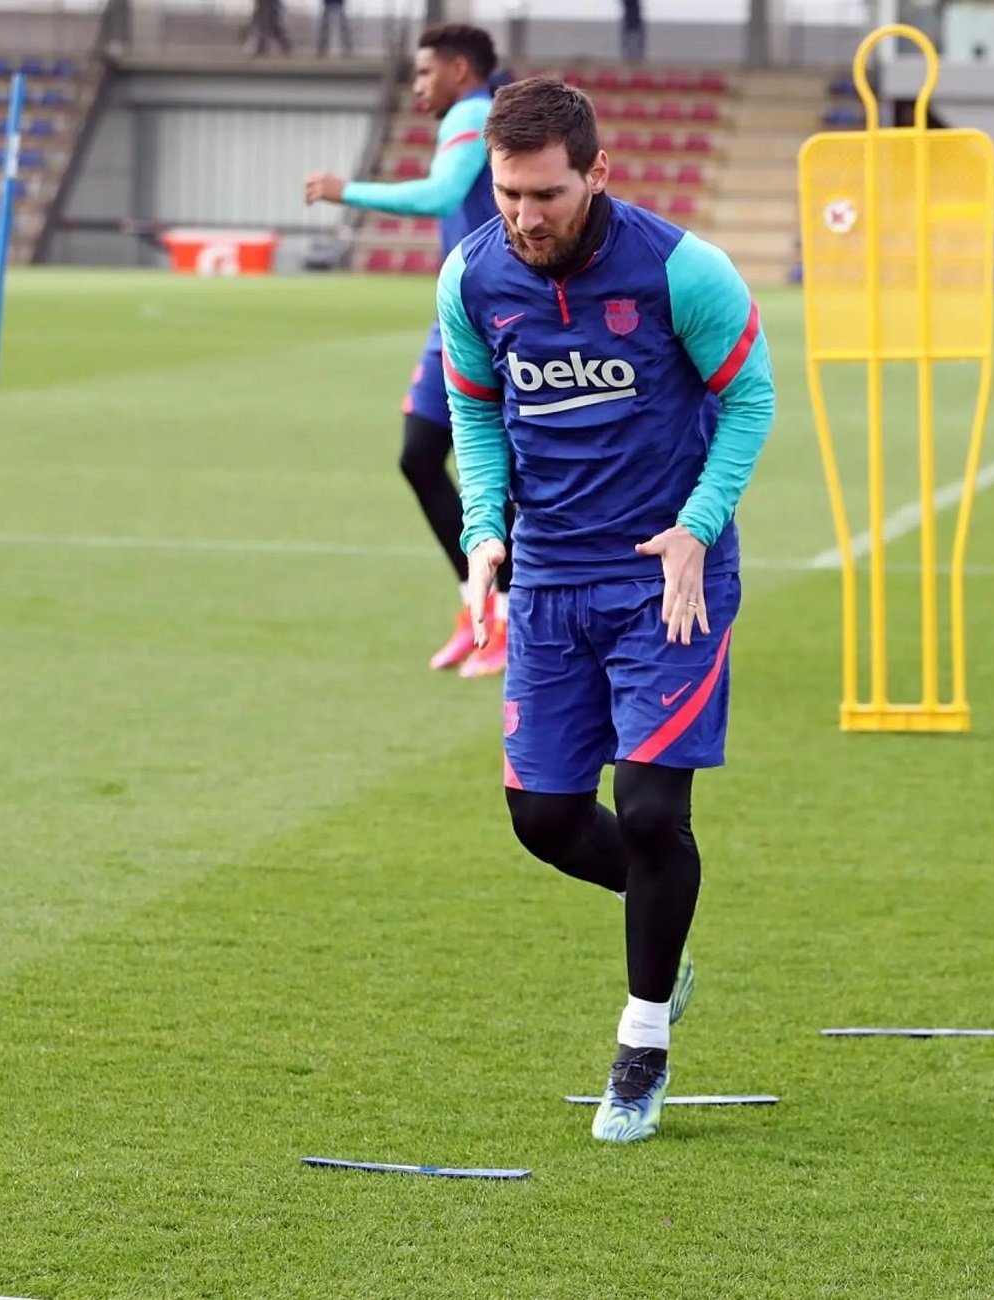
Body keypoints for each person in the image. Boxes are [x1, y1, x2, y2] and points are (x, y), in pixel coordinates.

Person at [436, 78, 774, 1143]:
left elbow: (750, 396)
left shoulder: (682, 269)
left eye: (544, 193)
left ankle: (641, 1044)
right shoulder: (472, 275)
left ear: (596, 174)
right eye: (507, 193)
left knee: (650, 812)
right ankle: (662, 940)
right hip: (548, 582)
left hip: (666, 580)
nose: (524, 216)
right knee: (540, 819)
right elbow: (475, 414)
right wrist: (483, 529)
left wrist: (698, 524)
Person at [304, 25, 514, 677]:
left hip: (500, 315)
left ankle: (509, 620)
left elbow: (439, 195)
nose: (419, 86)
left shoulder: (475, 113)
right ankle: (478, 609)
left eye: (425, 73)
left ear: (458, 69)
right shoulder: (476, 116)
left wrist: (348, 190)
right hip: (459, 314)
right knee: (420, 455)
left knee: (489, 469)